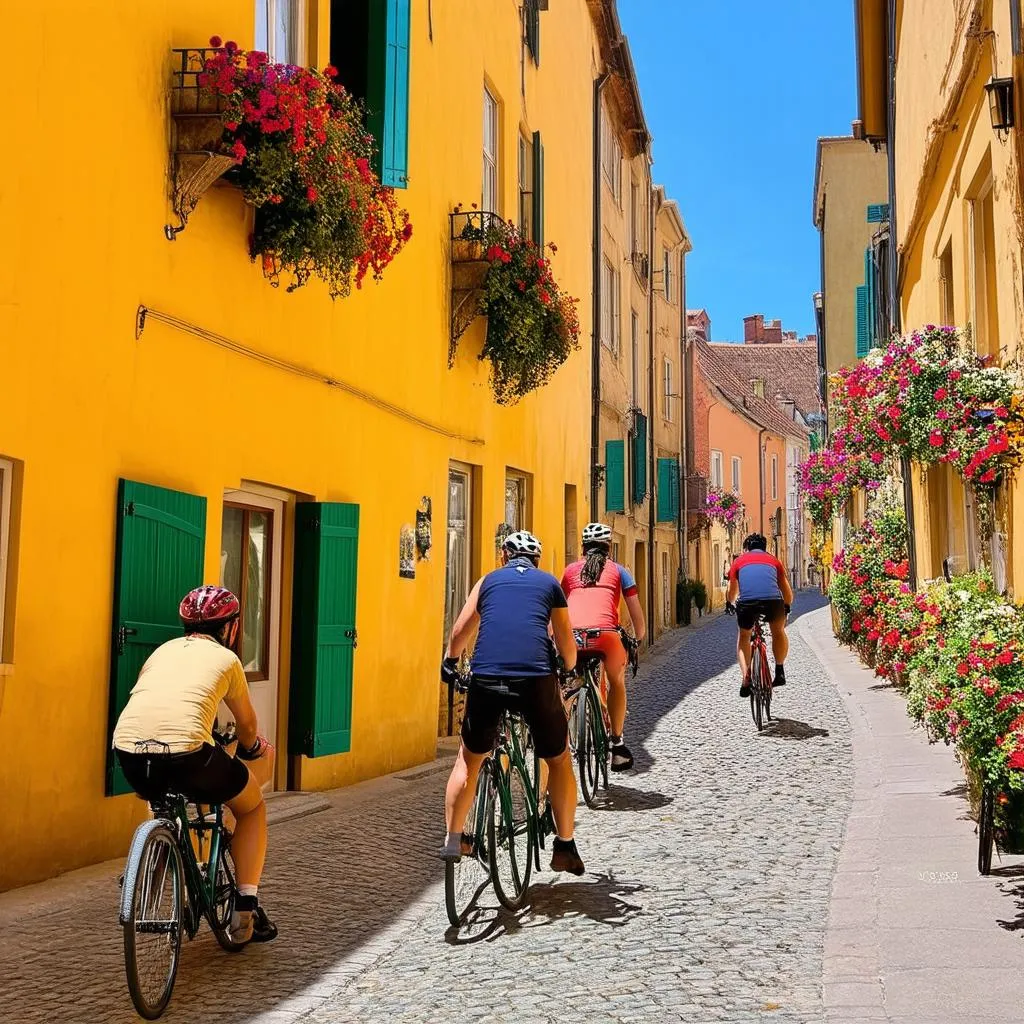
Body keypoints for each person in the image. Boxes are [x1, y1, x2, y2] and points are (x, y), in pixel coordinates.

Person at [112, 585, 276, 944]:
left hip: (127, 750)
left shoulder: (161, 653)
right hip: (190, 754)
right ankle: (245, 906)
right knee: (251, 809)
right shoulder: (227, 660)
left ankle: (156, 855)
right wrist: (252, 747)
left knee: (161, 795)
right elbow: (246, 726)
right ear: (231, 628)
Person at [440, 531, 585, 875]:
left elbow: (460, 631)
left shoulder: (488, 582)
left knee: (468, 759)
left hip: (487, 677)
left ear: (504, 556)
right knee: (560, 758)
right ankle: (564, 845)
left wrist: (449, 662)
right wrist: (568, 668)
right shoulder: (550, 584)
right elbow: (565, 643)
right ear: (536, 560)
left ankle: (453, 838)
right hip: (535, 679)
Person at [559, 522, 646, 772]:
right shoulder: (620, 571)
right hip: (607, 636)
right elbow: (638, 621)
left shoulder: (569, 571)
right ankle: (617, 743)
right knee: (617, 682)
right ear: (609, 548)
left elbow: (560, 610)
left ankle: (561, 739)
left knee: (565, 684)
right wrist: (635, 642)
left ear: (583, 548)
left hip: (573, 637)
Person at [726, 533, 794, 698]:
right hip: (773, 603)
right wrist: (786, 606)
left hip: (748, 604)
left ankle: (746, 678)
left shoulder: (738, 562)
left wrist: (730, 603)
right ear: (764, 547)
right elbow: (787, 594)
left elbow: (732, 591)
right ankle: (779, 670)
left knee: (744, 636)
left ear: (746, 548)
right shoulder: (774, 561)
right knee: (778, 631)